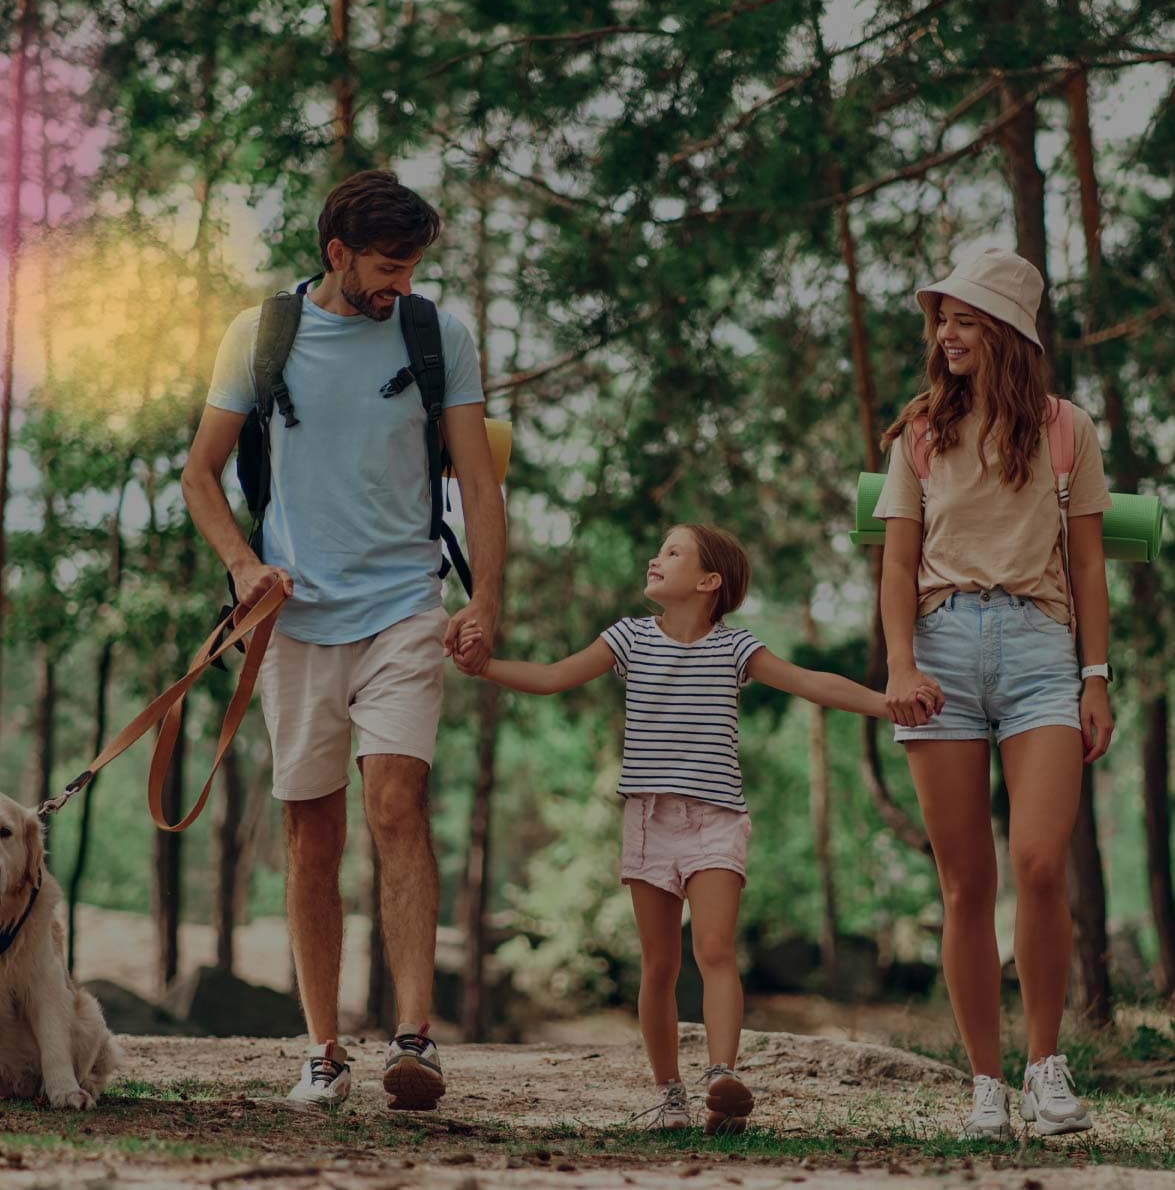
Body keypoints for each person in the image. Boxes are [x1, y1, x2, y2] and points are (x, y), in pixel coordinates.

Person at [182, 170, 505, 1112]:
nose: (400, 283)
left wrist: (484, 597)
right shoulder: (260, 336)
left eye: (412, 266)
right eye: (386, 266)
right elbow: (201, 475)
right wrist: (245, 570)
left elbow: (478, 484)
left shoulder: (436, 335)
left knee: (396, 802)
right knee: (309, 830)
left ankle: (415, 1039)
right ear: (336, 252)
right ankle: (323, 1049)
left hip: (406, 601)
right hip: (293, 616)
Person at [452, 524, 934, 1132]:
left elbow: (812, 683)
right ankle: (668, 1095)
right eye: (659, 549)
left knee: (714, 950)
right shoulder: (628, 638)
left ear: (710, 582)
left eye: (673, 552)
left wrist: (888, 700)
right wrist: (485, 667)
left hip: (715, 819)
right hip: (650, 819)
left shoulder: (735, 649)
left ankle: (722, 1078)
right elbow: (552, 677)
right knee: (659, 966)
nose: (656, 558)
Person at [874, 247, 1115, 1139]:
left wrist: (1095, 674)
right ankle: (984, 1082)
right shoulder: (920, 434)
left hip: (1040, 652)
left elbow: (1086, 561)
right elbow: (897, 565)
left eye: (963, 319)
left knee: (1040, 863)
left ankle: (1045, 1067)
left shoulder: (1065, 429)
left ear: (1006, 333)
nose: (944, 333)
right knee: (965, 884)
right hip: (939, 651)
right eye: (941, 319)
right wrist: (900, 666)